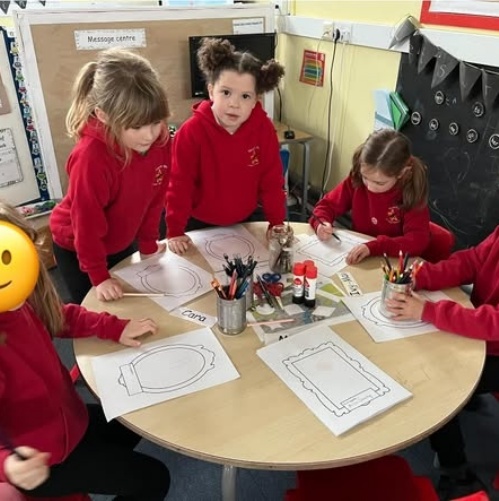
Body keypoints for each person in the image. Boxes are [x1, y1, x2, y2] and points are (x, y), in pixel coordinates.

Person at [0, 201, 170, 500]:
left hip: (70, 422)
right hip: (43, 463)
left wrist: (115, 327)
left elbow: (61, 316)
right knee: (153, 478)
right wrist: (7, 464)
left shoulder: (23, 299)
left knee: (141, 420)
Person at [385, 226, 499, 500]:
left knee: (440, 383)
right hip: (481, 337)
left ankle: (456, 471)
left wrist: (429, 311)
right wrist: (422, 276)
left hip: (494, 349)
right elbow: (472, 260)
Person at [50, 48, 171, 304]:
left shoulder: (160, 140)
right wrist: (99, 276)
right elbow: (86, 224)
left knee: (133, 308)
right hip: (79, 246)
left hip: (120, 238)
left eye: (155, 122)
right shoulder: (90, 158)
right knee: (93, 313)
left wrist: (148, 243)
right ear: (104, 116)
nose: (149, 135)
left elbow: (155, 198)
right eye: (136, 126)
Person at [166, 37, 286, 255]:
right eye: (226, 92)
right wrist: (175, 230)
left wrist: (276, 222)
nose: (234, 103)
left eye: (245, 96)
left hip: (245, 220)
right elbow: (180, 185)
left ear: (256, 100)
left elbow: (271, 181)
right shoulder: (191, 132)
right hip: (197, 223)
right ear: (211, 91)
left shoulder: (263, 129)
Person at [310, 129, 431, 265]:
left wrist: (376, 247)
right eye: (365, 177)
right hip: (359, 258)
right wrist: (321, 223)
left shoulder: (411, 192)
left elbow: (417, 240)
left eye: (380, 183)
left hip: (392, 263)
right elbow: (326, 206)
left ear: (402, 173)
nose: (370, 187)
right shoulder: (356, 179)